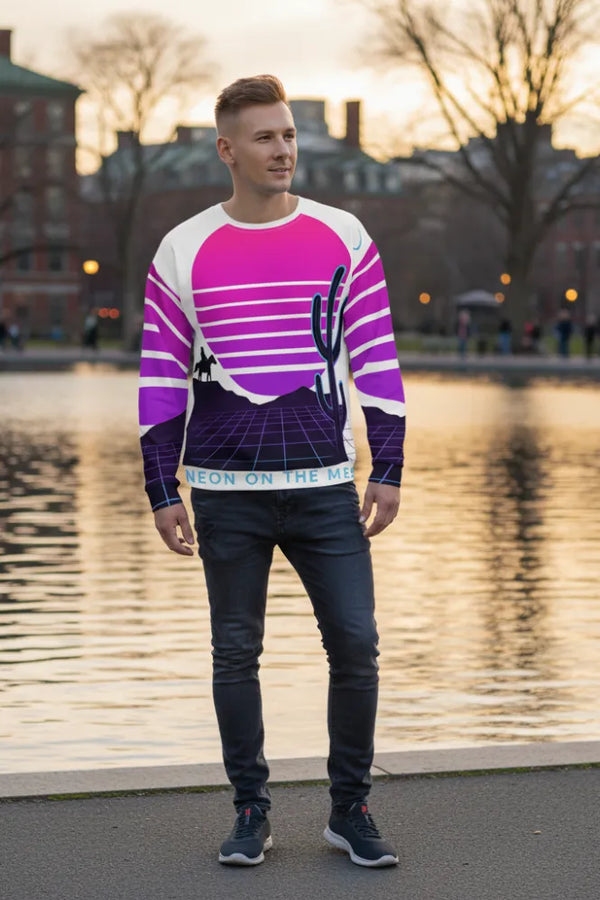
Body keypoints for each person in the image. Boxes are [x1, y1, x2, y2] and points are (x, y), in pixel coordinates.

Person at [138, 75, 405, 869]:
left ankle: (349, 807)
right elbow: (161, 373)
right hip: (224, 491)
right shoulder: (182, 247)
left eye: (287, 135)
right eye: (264, 138)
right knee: (234, 651)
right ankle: (251, 810)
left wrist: (386, 466)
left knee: (356, 645)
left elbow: (377, 357)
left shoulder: (345, 235)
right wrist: (161, 487)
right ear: (227, 149)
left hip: (325, 484)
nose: (283, 150)